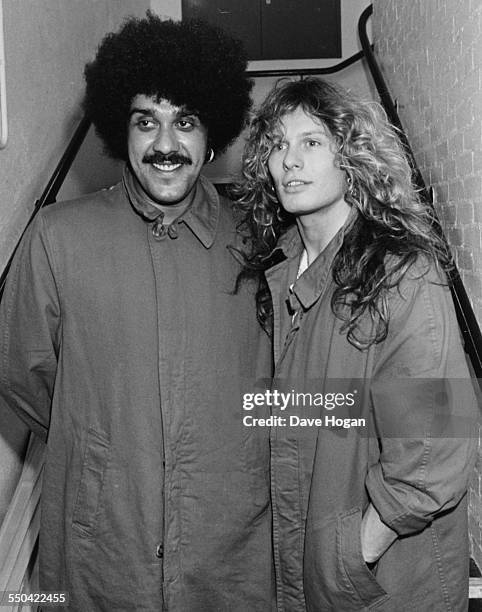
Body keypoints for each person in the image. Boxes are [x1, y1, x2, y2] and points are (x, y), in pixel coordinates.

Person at [0, 14, 275, 611]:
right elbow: (24, 377)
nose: (167, 145)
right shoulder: (57, 237)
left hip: (229, 552)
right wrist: (101, 439)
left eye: (186, 122)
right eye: (146, 121)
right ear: (118, 129)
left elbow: (292, 383)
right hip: (102, 551)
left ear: (212, 135)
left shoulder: (260, 244)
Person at [235, 77, 478, 611]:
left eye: (311, 142)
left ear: (351, 157)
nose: (289, 161)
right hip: (305, 567)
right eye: (277, 144)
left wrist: (352, 554)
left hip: (385, 583)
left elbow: (435, 455)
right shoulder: (279, 270)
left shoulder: (405, 273)